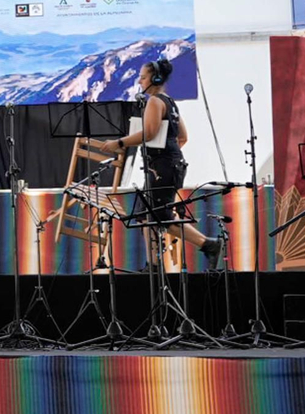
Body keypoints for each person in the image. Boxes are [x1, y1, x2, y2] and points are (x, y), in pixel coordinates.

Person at [92, 58, 222, 263]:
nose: (139, 82)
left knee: (159, 216)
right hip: (169, 166)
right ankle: (153, 264)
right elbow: (183, 138)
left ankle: (207, 243)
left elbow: (150, 133)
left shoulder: (154, 101)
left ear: (156, 78)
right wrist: (165, 156)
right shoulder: (170, 103)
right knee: (146, 214)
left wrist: (120, 142)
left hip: (162, 168)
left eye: (143, 77)